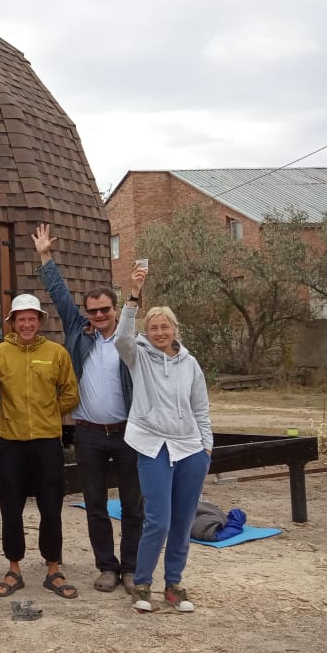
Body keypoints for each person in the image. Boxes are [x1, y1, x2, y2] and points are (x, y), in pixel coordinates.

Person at [33, 223, 142, 595]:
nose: (98, 315)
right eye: (93, 311)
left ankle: (131, 569)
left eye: (104, 310)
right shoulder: (81, 332)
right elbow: (60, 295)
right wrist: (45, 255)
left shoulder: (130, 340)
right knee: (96, 504)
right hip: (89, 433)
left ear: (115, 309)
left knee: (132, 505)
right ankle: (107, 568)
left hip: (128, 432)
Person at [114, 264, 212, 613]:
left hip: (190, 449)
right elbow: (122, 337)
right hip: (153, 446)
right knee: (159, 519)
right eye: (153, 327)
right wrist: (134, 295)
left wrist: (206, 447)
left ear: (174, 330)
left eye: (164, 326)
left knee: (184, 519)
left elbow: (201, 407)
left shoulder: (189, 363)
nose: (158, 332)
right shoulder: (138, 355)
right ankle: (142, 584)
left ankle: (174, 585)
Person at [0, 294, 80, 600]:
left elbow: (72, 394)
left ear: (40, 321)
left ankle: (53, 569)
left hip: (48, 443)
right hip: (11, 445)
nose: (27, 324)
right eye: (21, 319)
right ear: (12, 322)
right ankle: (14, 568)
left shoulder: (56, 353)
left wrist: (48, 412)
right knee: (11, 509)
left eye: (32, 318)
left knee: (51, 507)